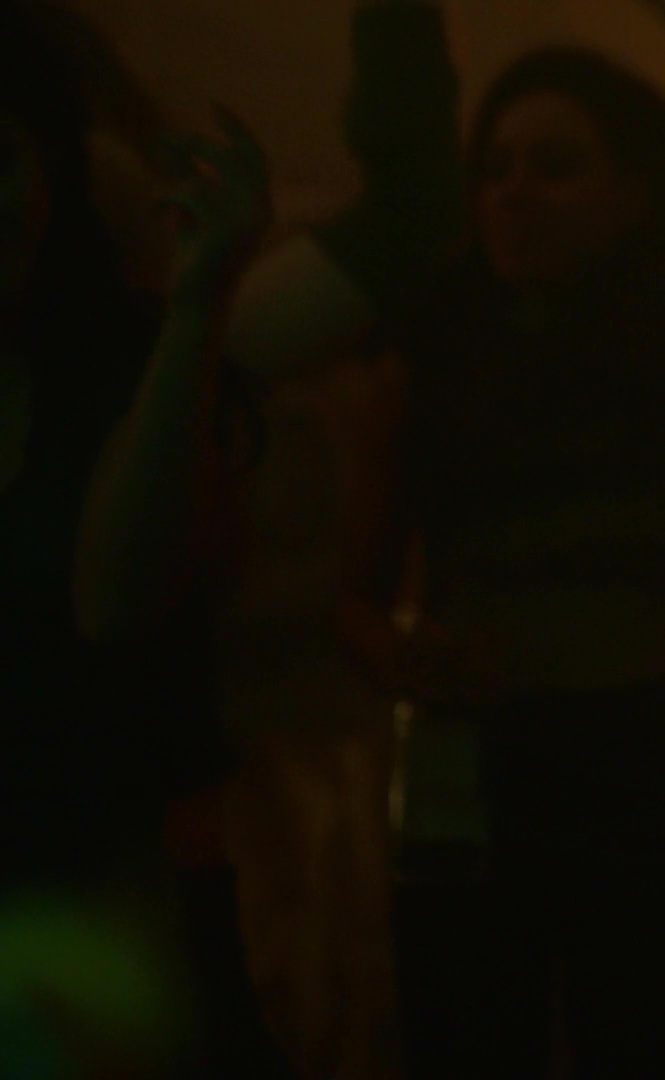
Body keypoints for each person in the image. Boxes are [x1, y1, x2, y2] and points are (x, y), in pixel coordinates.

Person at [219, 0, 665, 1073]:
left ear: (634, 198)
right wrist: (400, 652)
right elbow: (352, 598)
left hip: (635, 754)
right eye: (495, 168)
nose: (512, 191)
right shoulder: (429, 365)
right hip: (471, 764)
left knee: (641, 1034)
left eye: (556, 166)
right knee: (467, 1039)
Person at [1, 0, 274, 1072]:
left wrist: (200, 299)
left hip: (121, 943)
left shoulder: (125, 368)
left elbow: (116, 600)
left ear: (54, 173)